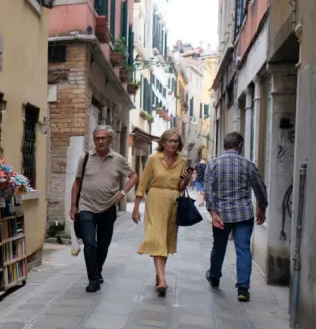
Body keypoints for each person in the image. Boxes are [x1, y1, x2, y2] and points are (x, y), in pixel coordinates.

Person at [70, 125, 139, 293]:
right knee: (89, 244)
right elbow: (77, 183)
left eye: (103, 138)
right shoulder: (85, 158)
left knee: (103, 245)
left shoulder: (118, 159)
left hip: (108, 208)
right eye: (97, 138)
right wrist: (73, 206)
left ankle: (97, 271)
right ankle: (93, 279)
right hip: (86, 206)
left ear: (110, 140)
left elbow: (134, 176)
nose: (100, 141)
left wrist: (123, 192)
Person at [204, 132, 268, 302]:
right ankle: (243, 289)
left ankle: (215, 277)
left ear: (224, 145)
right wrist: (262, 208)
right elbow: (260, 189)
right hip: (243, 214)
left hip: (221, 215)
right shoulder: (248, 165)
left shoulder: (213, 164)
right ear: (240, 145)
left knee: (219, 247)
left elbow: (208, 191)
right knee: (243, 249)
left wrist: (213, 212)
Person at [132, 128, 192, 297]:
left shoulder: (182, 161)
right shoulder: (153, 159)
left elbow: (180, 188)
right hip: (155, 199)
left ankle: (159, 275)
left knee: (165, 240)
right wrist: (136, 208)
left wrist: (186, 180)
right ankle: (163, 280)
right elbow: (143, 183)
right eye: (170, 141)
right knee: (156, 237)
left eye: (175, 141)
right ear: (163, 142)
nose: (173, 144)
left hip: (174, 201)